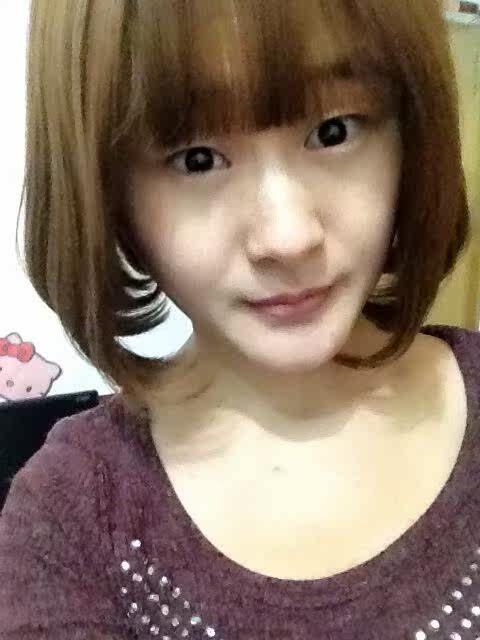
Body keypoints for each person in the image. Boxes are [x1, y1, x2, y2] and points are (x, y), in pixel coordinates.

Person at [0, 0, 477, 638]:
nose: (288, 237)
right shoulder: (69, 522)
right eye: (196, 158)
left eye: (333, 130)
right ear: (108, 193)